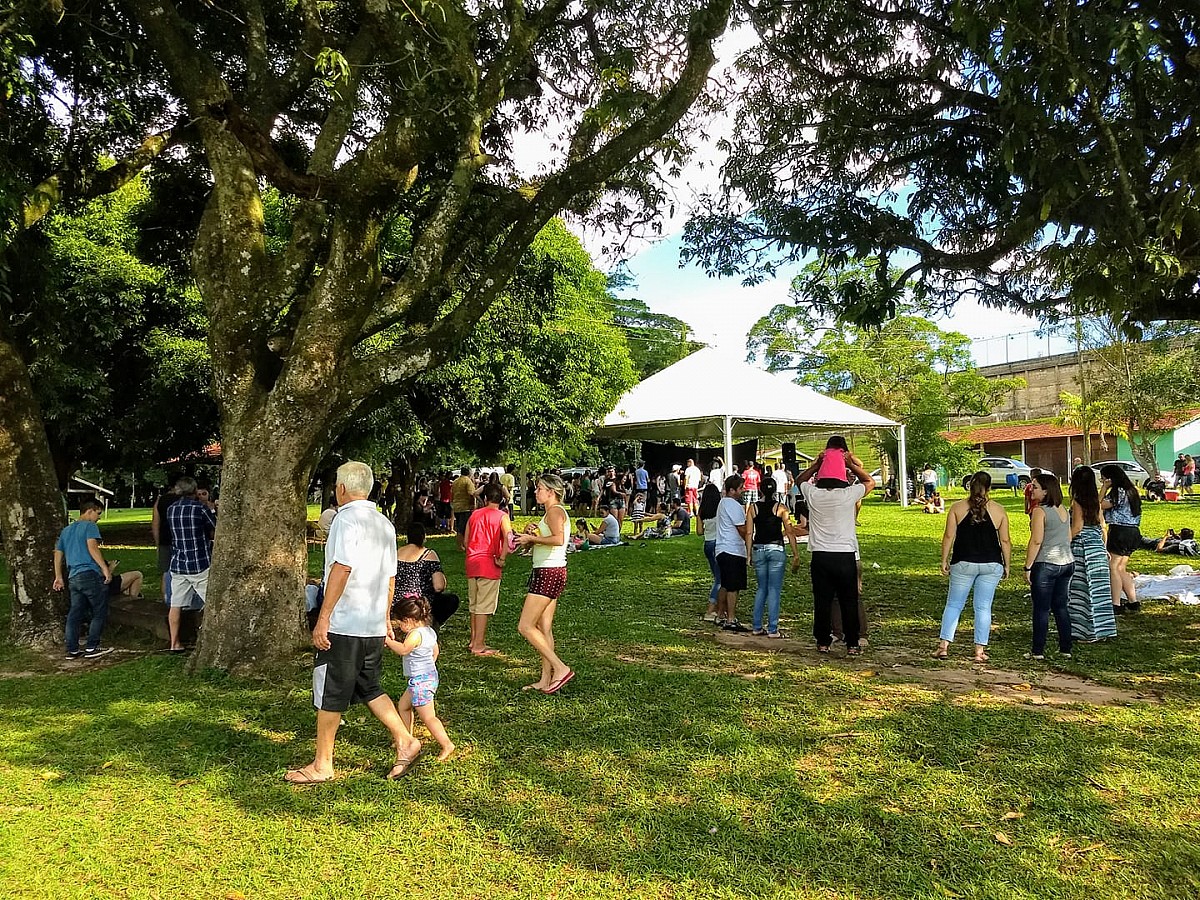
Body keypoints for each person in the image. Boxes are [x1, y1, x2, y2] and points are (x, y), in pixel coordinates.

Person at [286, 461, 422, 784]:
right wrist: (385, 617)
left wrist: (323, 618)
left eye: (335, 484)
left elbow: (341, 569)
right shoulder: (384, 524)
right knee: (369, 686)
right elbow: (391, 577)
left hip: (345, 625)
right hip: (372, 625)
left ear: (342, 488)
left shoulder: (345, 521)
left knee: (331, 692)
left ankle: (322, 764)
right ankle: (406, 740)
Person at [797, 450, 875, 655]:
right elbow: (869, 481)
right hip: (845, 555)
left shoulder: (814, 494)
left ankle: (823, 641)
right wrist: (851, 464)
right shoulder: (848, 494)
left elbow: (799, 480)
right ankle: (852, 643)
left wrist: (815, 465)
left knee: (822, 600)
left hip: (821, 555)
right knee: (849, 600)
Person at [933, 472, 1010, 663]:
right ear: (990, 488)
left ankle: (943, 646)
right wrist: (1007, 564)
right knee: (983, 607)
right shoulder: (999, 510)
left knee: (953, 604)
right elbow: (1005, 540)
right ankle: (979, 650)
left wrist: (944, 559)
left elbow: (948, 536)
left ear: (969, 486)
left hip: (963, 562)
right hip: (991, 563)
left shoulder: (957, 508)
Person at [514, 474, 574, 693]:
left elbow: (558, 540)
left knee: (526, 626)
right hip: (551, 570)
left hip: (549, 572)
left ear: (551, 492)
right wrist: (531, 536)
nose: (536, 492)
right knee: (544, 628)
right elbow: (548, 541)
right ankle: (545, 679)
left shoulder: (555, 511)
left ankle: (560, 668)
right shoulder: (550, 513)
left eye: (539, 488)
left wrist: (532, 539)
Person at [385, 595, 455, 762]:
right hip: (426, 677)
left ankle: (447, 744)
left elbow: (403, 650)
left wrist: (386, 641)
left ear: (409, 620)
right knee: (403, 706)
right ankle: (406, 738)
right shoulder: (429, 631)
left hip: (420, 681)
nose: (400, 627)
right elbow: (435, 652)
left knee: (428, 717)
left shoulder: (415, 635)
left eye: (400, 623)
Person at [53, 497, 114, 659]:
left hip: (73, 577)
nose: (99, 517)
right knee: (99, 610)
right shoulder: (89, 526)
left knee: (75, 613)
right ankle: (92, 647)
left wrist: (59, 576)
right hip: (89, 573)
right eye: (98, 513)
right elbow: (92, 548)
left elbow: (58, 554)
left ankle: (72, 649)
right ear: (89, 511)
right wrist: (105, 569)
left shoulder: (66, 531)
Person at [1023, 473, 1075, 661]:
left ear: (1046, 491)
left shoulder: (1040, 511)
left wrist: (1028, 566)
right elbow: (1068, 537)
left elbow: (1036, 541)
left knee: (1041, 608)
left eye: (1035, 487)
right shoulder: (1063, 509)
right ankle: (1065, 648)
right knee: (1061, 607)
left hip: (1046, 564)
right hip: (1067, 562)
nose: (1031, 489)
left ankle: (1037, 650)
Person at [165, 476, 217, 652]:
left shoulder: (171, 509)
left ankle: (174, 643)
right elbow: (214, 530)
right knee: (212, 602)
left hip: (179, 563)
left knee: (175, 604)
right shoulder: (200, 508)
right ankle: (212, 639)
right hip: (199, 563)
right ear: (194, 491)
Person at [1067, 466, 1116, 641]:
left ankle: (1083, 631)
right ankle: (1103, 630)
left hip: (1083, 549)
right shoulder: (1096, 501)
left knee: (1082, 590)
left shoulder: (1077, 502)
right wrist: (1104, 548)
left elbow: (1077, 527)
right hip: (1097, 548)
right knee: (1100, 591)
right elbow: (1103, 527)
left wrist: (1064, 543)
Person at [463, 483, 511, 655]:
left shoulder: (474, 515)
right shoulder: (502, 516)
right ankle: (479, 645)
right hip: (489, 564)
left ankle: (473, 639)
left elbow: (466, 541)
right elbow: (509, 538)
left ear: (485, 498)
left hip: (472, 562)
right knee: (484, 606)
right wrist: (502, 558)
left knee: (474, 604)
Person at [748, 490, 801, 637]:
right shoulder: (781, 508)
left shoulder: (753, 507)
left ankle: (757, 626)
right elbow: (789, 531)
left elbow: (748, 532)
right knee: (774, 589)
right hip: (776, 548)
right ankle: (772, 628)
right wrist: (796, 553)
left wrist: (748, 554)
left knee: (761, 588)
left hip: (759, 549)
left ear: (761, 490)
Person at [393, 522, 459, 627]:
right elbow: (439, 586)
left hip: (396, 603)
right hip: (418, 604)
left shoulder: (396, 553)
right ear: (423, 537)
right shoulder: (428, 555)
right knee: (451, 600)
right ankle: (433, 624)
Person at [1101, 463, 1143, 613]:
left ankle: (1116, 604)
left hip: (1120, 531)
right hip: (1133, 532)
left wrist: (1104, 489)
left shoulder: (1118, 491)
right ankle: (1133, 601)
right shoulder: (1132, 490)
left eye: (1103, 479)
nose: (1102, 481)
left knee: (1113, 567)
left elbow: (1099, 505)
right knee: (1121, 568)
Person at [714, 474, 750, 632]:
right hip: (733, 549)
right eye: (740, 488)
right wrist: (751, 542)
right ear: (731, 490)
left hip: (722, 548)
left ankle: (720, 614)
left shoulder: (723, 503)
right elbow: (742, 528)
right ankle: (730, 619)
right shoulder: (732, 505)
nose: (743, 491)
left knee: (725, 584)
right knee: (733, 587)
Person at [150, 481, 180, 606]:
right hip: (179, 540)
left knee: (165, 571)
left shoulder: (160, 500)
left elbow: (155, 523)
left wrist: (158, 542)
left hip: (164, 540)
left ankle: (165, 600)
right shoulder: (183, 500)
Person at [697, 483, 723, 622]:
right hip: (718, 544)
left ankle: (719, 608)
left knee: (717, 576)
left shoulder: (701, 511)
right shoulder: (720, 509)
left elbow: (699, 532)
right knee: (720, 579)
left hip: (708, 543)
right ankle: (711, 609)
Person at [451, 466, 476, 551]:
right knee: (463, 528)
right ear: (469, 472)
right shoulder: (467, 481)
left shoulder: (455, 481)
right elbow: (471, 494)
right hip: (465, 507)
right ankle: (462, 546)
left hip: (456, 507)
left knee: (459, 526)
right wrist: (473, 505)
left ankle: (461, 545)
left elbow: (452, 493)